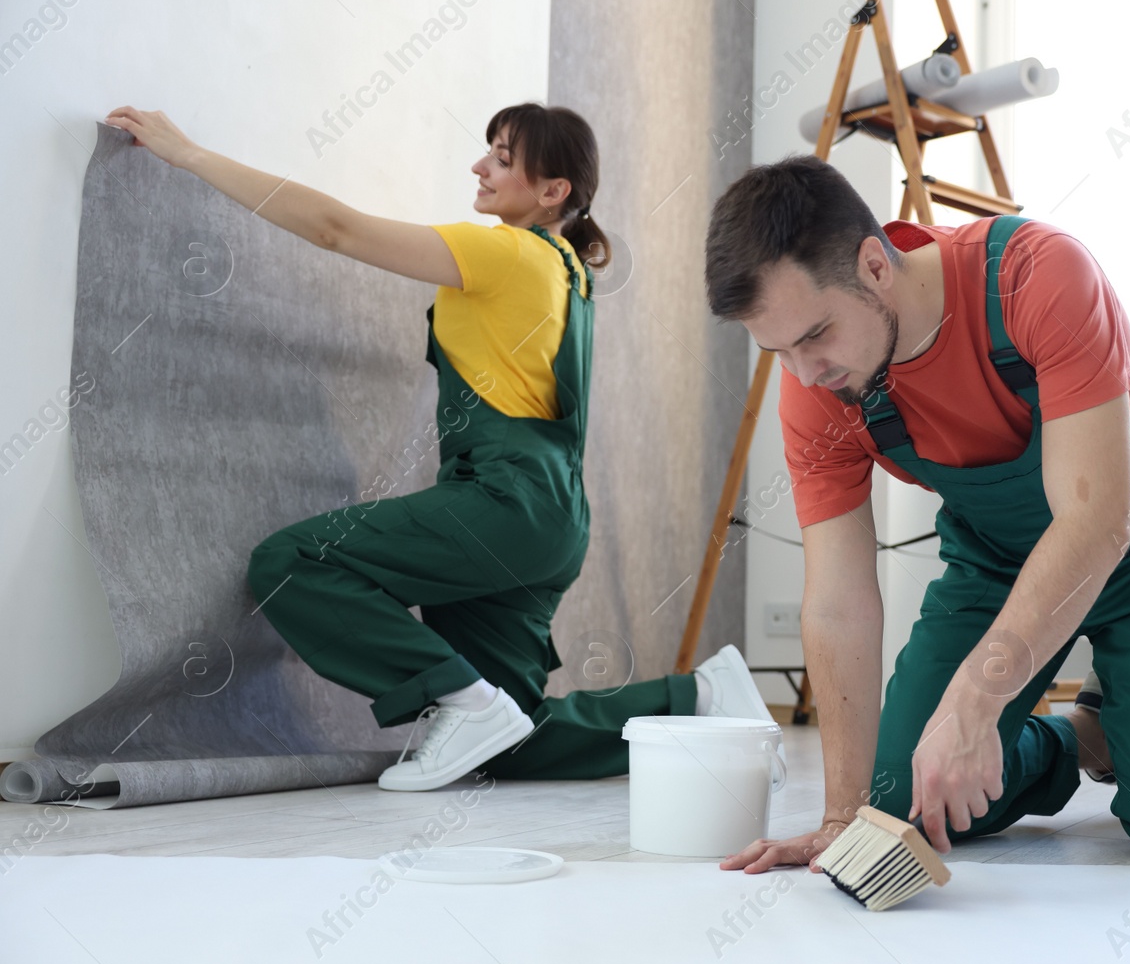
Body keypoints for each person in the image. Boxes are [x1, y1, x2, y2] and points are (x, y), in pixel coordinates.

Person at [103, 103, 773, 792]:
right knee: (513, 740)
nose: (480, 166)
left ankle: (464, 699)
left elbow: (336, 230)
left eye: (503, 157)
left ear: (553, 191)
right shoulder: (571, 273)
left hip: (503, 501)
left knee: (290, 561)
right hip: (550, 518)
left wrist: (189, 155)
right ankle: (700, 696)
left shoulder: (509, 251)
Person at [705, 155, 1130, 873]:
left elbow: (1096, 522)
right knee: (902, 806)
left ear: (875, 267)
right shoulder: (817, 389)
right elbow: (836, 603)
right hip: (1001, 556)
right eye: (777, 351)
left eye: (816, 334)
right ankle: (1092, 732)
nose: (803, 372)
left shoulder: (1038, 276)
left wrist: (977, 700)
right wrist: (842, 816)